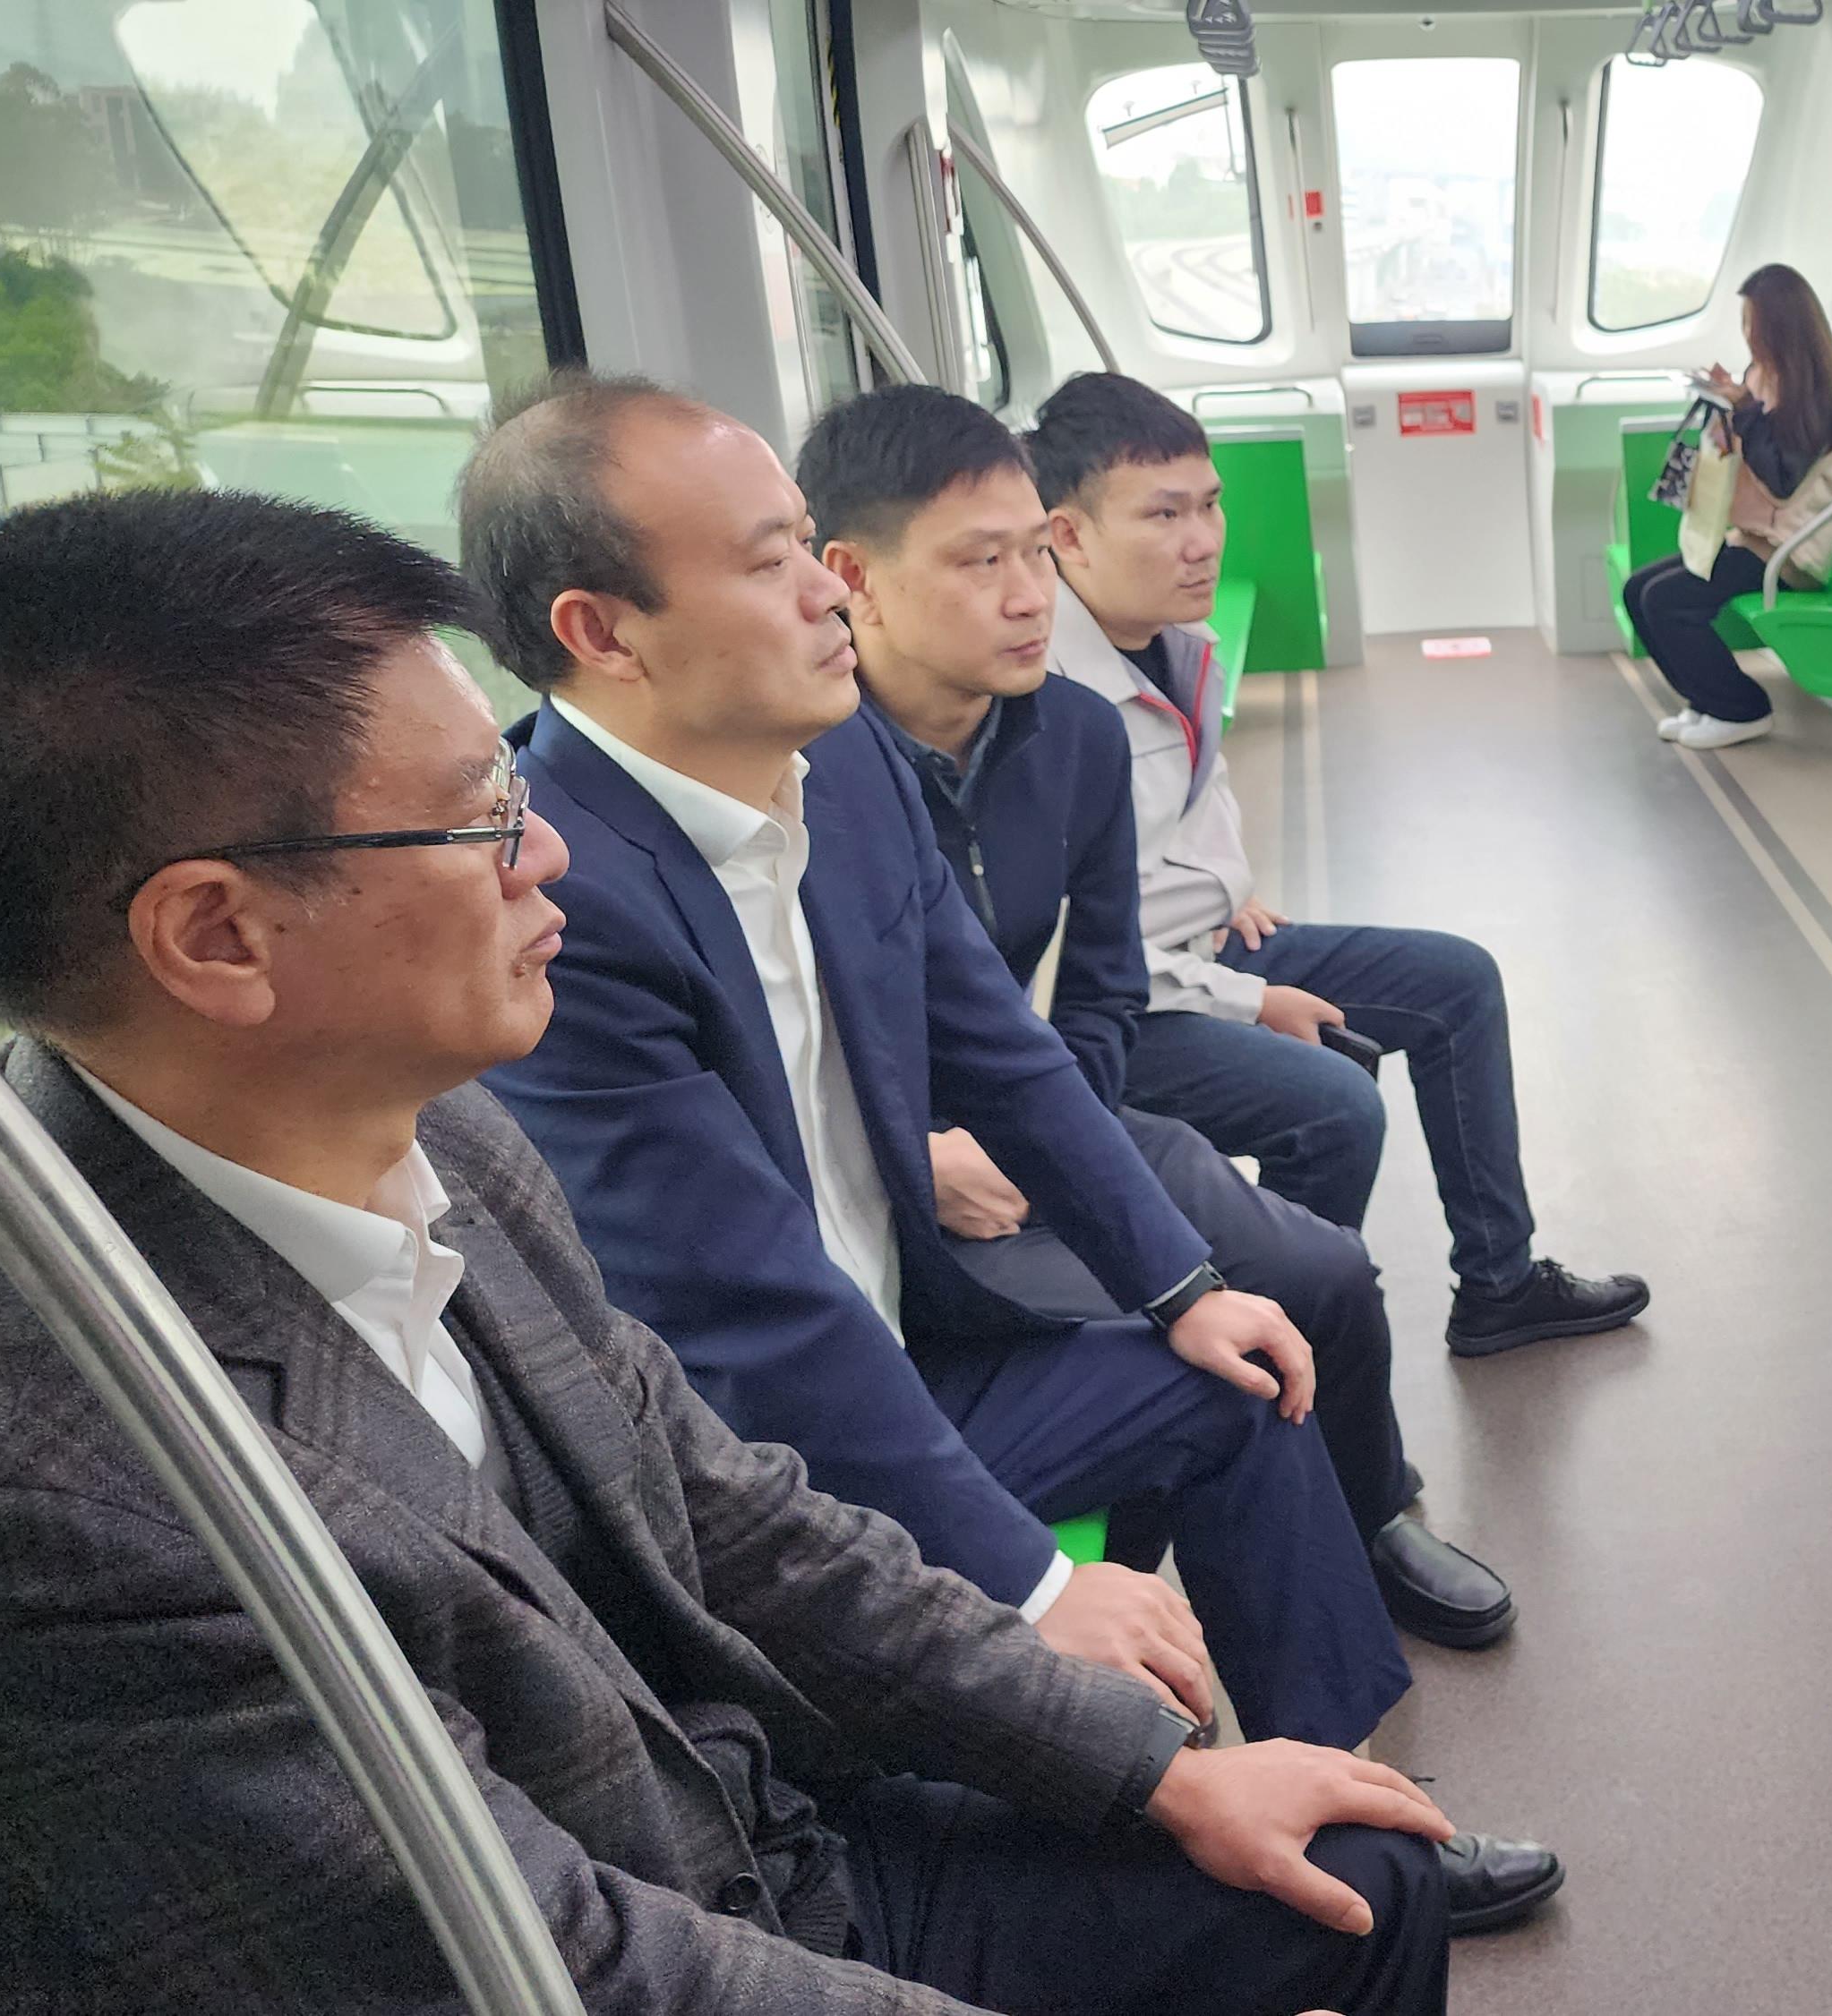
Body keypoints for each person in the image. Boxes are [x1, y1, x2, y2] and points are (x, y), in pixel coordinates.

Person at [0, 487, 1451, 2013]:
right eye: (480, 812)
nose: (543, 847)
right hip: (638, 1913)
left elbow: (718, 1501)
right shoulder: (75, 1502)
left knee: (1360, 1876)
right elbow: (552, 1961)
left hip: (756, 1804)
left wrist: (1151, 1772)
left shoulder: (451, 1135)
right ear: (216, 935)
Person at [456, 373, 1558, 1928]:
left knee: (1239, 1377)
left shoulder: (841, 770)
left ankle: (1349, 1802)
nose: (827, 590)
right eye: (772, 560)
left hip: (912, 1353)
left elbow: (1008, 1051)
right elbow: (750, 1316)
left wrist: (1180, 1283)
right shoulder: (571, 903)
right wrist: (1035, 1586)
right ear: (603, 629)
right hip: (751, 1480)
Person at [1023, 371, 1647, 1359]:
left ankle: (1499, 1281)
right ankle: (1292, 1330)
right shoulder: (1046, 690)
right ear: (1068, 535)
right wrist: (1249, 1000)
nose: (1203, 538)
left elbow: (1179, 804)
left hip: (1207, 944)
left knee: (1456, 982)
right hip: (1121, 1005)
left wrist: (1230, 885)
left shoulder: (1170, 637)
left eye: (1211, 503)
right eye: (1164, 514)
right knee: (1334, 1107)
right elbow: (1066, 950)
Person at [1626, 261, 1832, 749]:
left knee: (1666, 601)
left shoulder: (1816, 398)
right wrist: (1730, 404)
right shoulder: (1765, 375)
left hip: (1789, 552)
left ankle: (1742, 709)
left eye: (1754, 323)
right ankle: (1706, 701)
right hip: (1752, 537)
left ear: (1780, 328)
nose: (1749, 335)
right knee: (1638, 590)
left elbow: (1781, 482)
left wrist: (1744, 410)